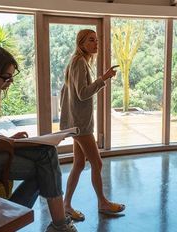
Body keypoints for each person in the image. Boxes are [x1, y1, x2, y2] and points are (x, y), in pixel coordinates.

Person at [0, 44, 77, 232]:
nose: (9, 82)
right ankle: (57, 224)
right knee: (45, 164)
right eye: (6, 77)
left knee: (46, 158)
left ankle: (54, 223)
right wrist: (13, 143)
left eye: (11, 77)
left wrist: (10, 139)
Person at [60, 29, 125, 222]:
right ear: (81, 43)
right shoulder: (79, 62)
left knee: (79, 164)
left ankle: (66, 205)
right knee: (97, 163)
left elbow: (70, 94)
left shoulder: (77, 62)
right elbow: (82, 93)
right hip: (81, 125)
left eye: (97, 40)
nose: (96, 44)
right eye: (91, 40)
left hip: (76, 123)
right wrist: (103, 78)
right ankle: (102, 203)